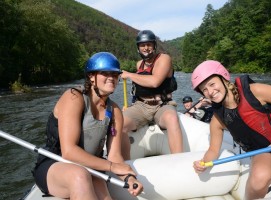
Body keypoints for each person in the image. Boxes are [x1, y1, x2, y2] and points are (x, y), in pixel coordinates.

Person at [32, 52, 143, 200]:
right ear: (91, 76)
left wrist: (128, 177)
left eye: (115, 74)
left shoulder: (115, 111)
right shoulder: (74, 97)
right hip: (55, 163)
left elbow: (114, 155)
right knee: (79, 176)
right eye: (105, 73)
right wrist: (110, 167)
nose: (112, 77)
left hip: (91, 166)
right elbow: (69, 152)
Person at [191, 60, 271, 199]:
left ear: (223, 78)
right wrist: (203, 162)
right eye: (204, 89)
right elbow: (213, 150)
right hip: (266, 152)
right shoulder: (217, 120)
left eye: (212, 84)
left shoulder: (255, 91)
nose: (210, 92)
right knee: (258, 181)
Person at [120, 30, 183, 159]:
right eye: (142, 45)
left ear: (154, 46)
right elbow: (140, 87)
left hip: (162, 105)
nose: (146, 48)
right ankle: (125, 164)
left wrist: (130, 75)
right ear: (138, 48)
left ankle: (179, 160)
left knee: (172, 118)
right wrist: (130, 105)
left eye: (149, 44)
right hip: (141, 105)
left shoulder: (164, 59)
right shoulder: (139, 64)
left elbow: (155, 82)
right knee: (119, 123)